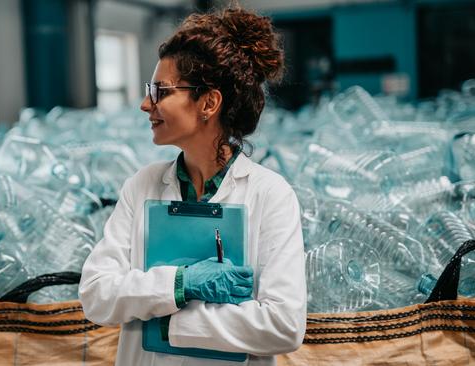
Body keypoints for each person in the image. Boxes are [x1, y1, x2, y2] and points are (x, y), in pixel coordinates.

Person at [79, 6, 306, 366]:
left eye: (160, 91)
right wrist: (180, 284)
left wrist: (167, 322)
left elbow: (282, 325)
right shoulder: (143, 186)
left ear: (209, 102)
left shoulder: (270, 195)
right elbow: (96, 295)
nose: (145, 104)